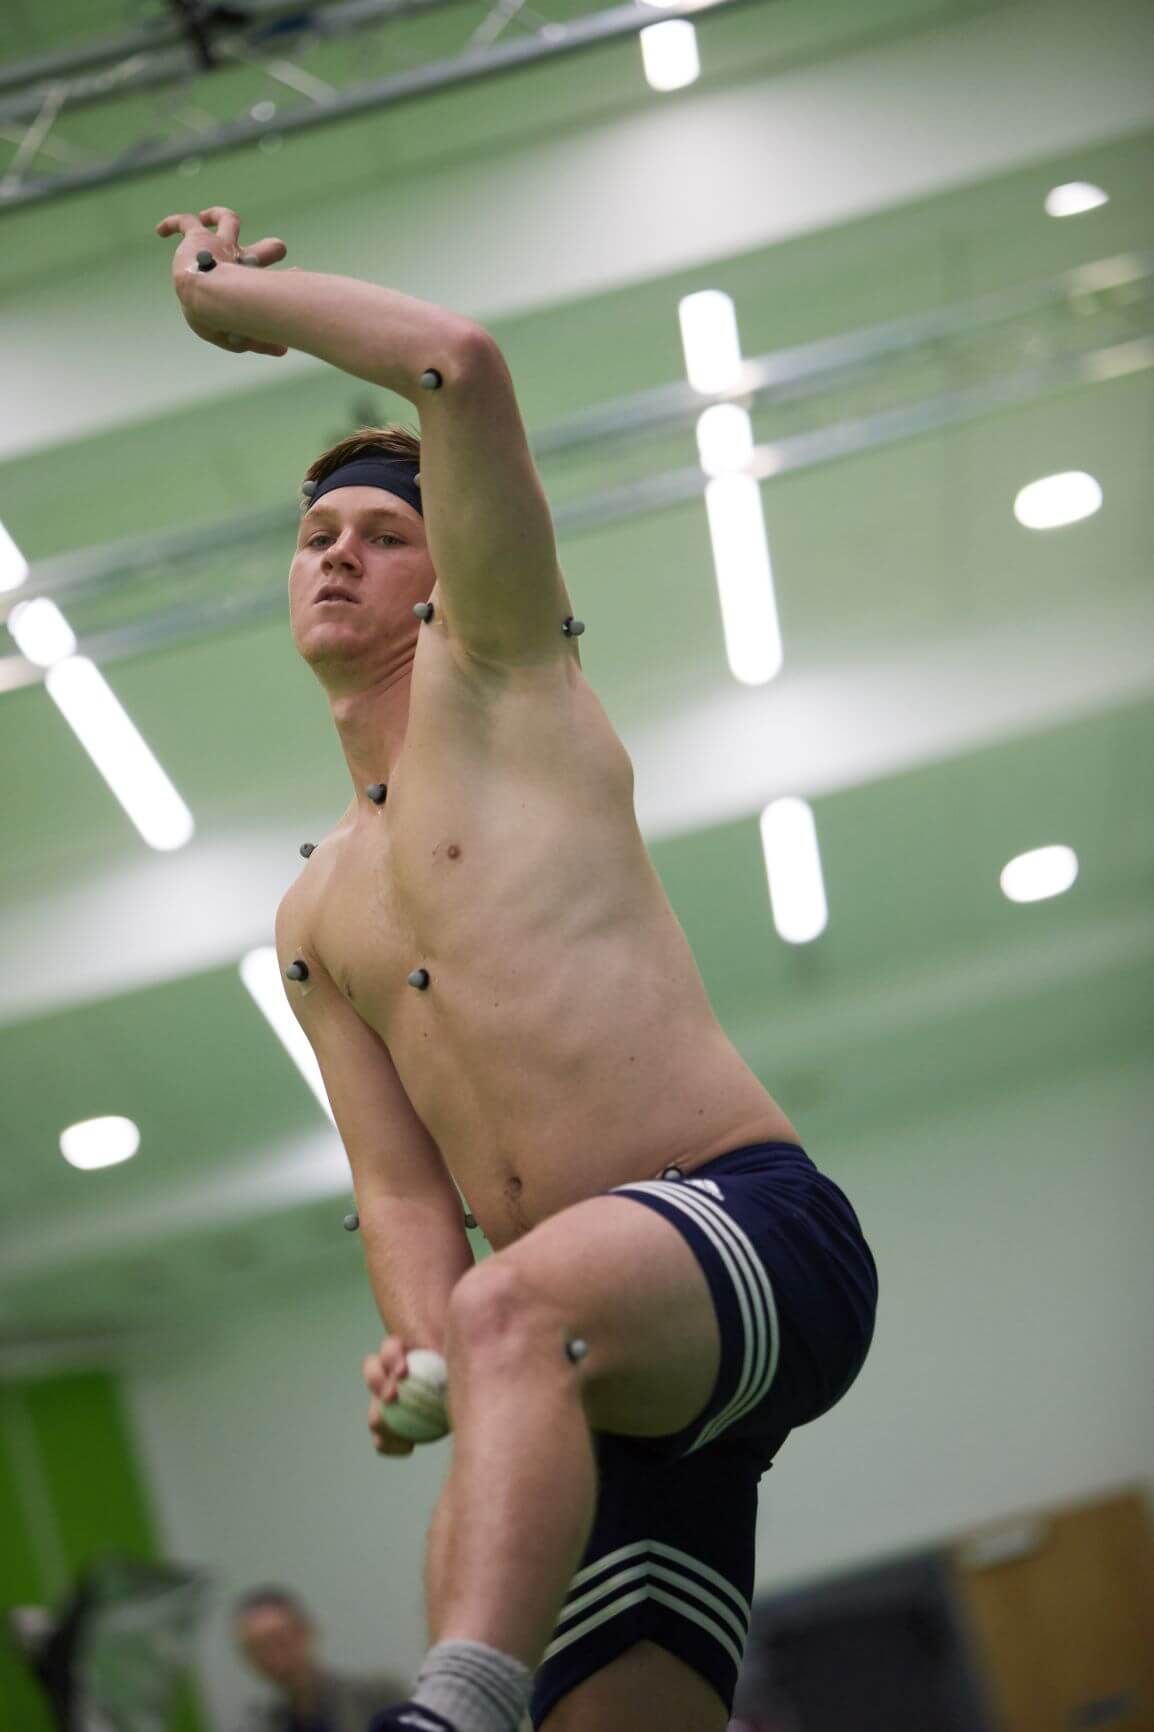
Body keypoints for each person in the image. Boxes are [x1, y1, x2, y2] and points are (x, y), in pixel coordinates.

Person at [156, 205, 879, 1732]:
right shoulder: (309, 918)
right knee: (496, 1405)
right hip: (593, 1361)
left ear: (446, 581)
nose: (337, 556)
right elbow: (408, 1190)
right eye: (313, 541)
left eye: (381, 534)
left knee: (503, 1342)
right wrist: (416, 1338)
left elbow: (458, 366)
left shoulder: (505, 685)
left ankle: (442, 1715)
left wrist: (243, 304)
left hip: (750, 1236)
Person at [234, 1587, 408, 1732]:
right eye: (258, 1649)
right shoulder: (260, 1724)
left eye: (279, 1640)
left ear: (305, 1632)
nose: (273, 1656)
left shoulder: (377, 1696)